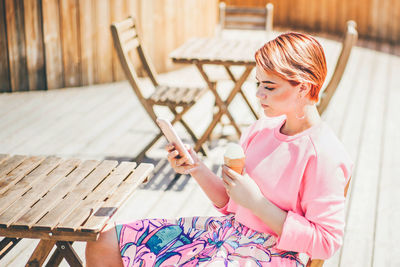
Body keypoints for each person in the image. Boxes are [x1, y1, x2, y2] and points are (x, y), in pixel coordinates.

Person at [85, 32, 353, 267]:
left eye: (269, 87)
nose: (259, 94)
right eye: (258, 83)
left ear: (303, 88)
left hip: (271, 254)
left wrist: (258, 204)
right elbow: (231, 203)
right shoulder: (261, 130)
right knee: (105, 242)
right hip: (222, 235)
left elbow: (326, 242)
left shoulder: (324, 154)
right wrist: (196, 167)